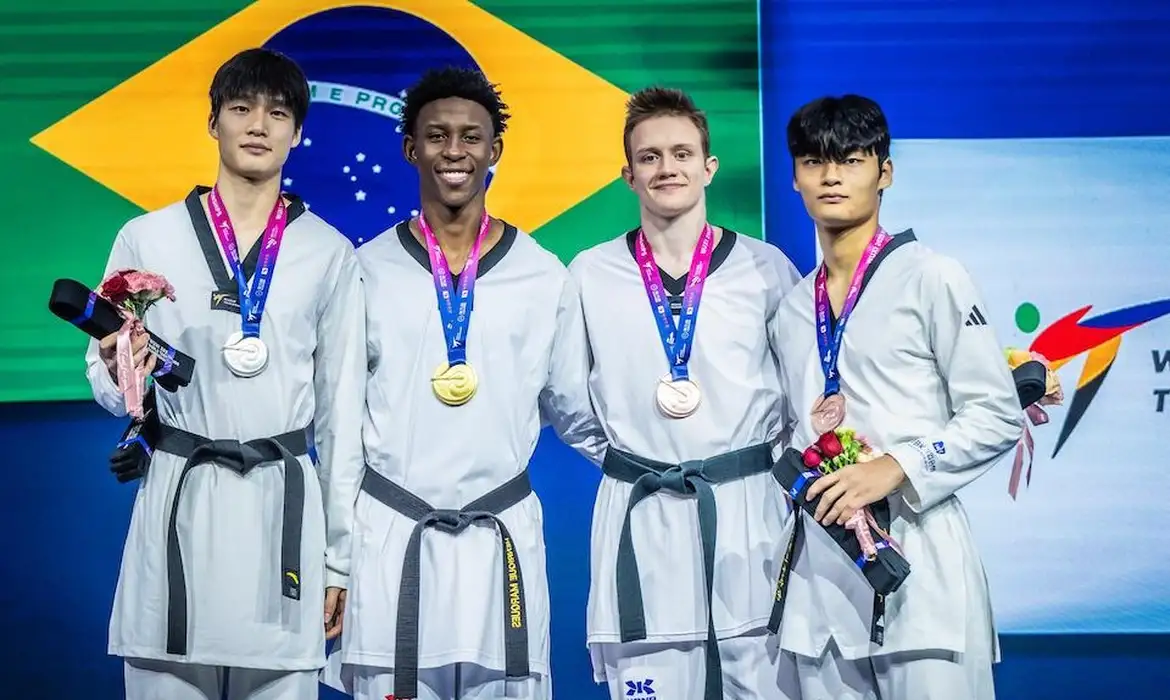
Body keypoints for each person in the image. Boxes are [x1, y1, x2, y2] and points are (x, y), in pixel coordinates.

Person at [85, 47, 366, 699]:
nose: (258, 125)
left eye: (277, 113)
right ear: (213, 122)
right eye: (240, 109)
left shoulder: (328, 253)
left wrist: (341, 562)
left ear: (297, 132)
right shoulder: (146, 239)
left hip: (284, 518)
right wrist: (114, 362)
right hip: (181, 504)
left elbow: (343, 416)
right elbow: (108, 382)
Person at [325, 66, 607, 700]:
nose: (454, 152)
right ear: (410, 148)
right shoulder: (364, 271)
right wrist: (334, 559)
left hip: (498, 542)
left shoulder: (543, 275)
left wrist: (660, 455)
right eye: (437, 136)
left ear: (494, 151)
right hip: (392, 535)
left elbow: (575, 411)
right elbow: (340, 428)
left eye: (471, 137)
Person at [766, 94, 1024, 700]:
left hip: (920, 566)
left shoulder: (933, 276)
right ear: (796, 175)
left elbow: (995, 414)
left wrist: (895, 466)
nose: (831, 176)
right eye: (813, 161)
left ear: (885, 171)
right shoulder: (791, 310)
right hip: (821, 584)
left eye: (851, 160)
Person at [567, 86, 803, 700]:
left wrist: (749, 467)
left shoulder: (766, 268)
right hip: (641, 511)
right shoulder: (590, 274)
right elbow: (568, 403)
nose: (666, 168)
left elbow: (802, 391)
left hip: (748, 513)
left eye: (680, 153)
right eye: (649, 157)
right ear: (627, 175)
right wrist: (635, 461)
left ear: (708, 166)